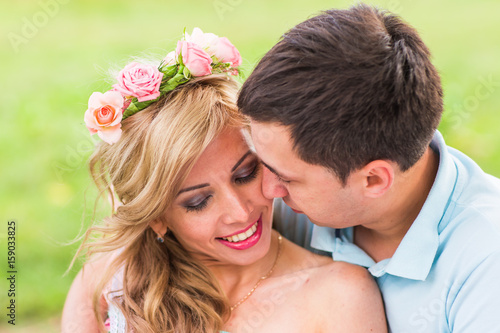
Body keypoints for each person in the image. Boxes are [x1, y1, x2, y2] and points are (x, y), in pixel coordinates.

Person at [61, 28, 387, 333]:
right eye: (198, 202)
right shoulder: (111, 278)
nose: (240, 212)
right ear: (157, 219)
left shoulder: (339, 295)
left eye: (245, 174)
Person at [237, 4, 500, 332]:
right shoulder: (302, 200)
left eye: (287, 178)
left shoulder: (487, 262)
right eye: (259, 163)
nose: (267, 191)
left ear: (374, 180)